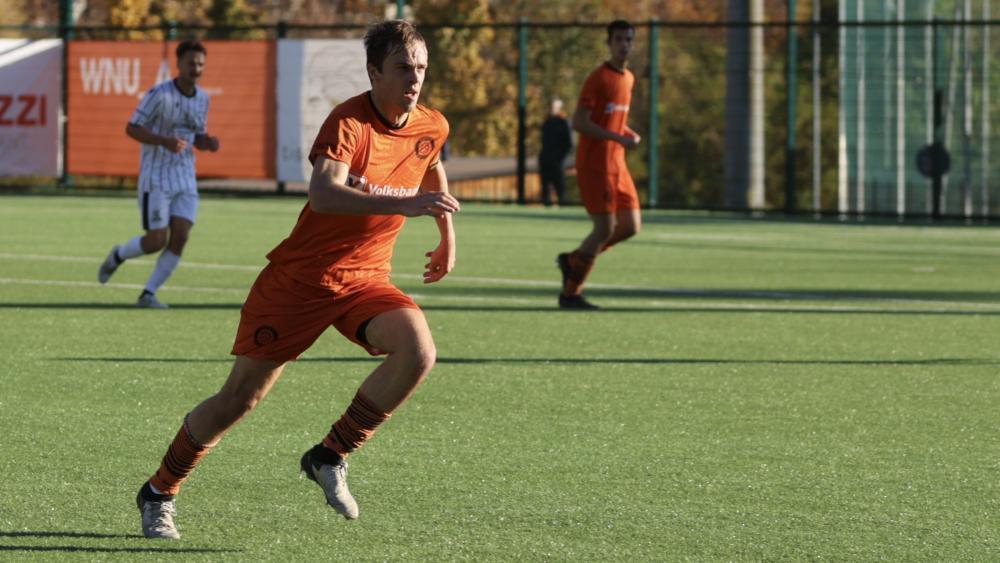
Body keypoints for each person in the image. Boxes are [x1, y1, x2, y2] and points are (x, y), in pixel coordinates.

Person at [133, 20, 459, 539]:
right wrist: (409, 203)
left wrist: (446, 235)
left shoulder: (430, 124)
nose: (414, 77)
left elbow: (430, 165)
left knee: (418, 351)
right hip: (300, 282)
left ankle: (330, 455)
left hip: (365, 279)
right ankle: (159, 490)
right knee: (238, 400)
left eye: (420, 67)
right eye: (402, 67)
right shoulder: (347, 122)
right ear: (374, 72)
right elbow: (324, 194)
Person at [97, 40, 220, 309]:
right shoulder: (159, 94)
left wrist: (206, 142)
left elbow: (195, 134)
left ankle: (148, 293)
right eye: (191, 63)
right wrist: (163, 141)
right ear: (178, 64)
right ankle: (118, 255)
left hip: (185, 177)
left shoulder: (203, 98)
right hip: (156, 178)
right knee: (155, 241)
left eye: (200, 64)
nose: (196, 68)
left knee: (181, 235)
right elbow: (132, 128)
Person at [556, 20, 641, 310]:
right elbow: (579, 121)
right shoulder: (599, 78)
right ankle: (570, 293)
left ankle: (575, 260)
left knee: (630, 226)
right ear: (609, 42)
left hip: (618, 163)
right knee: (604, 229)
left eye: (628, 39)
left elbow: (613, 119)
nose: (624, 44)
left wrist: (626, 133)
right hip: (596, 164)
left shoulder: (628, 78)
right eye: (618, 39)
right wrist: (618, 135)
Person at [538, 98, 573, 206]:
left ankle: (562, 208)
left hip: (558, 161)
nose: (551, 109)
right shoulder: (546, 122)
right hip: (546, 159)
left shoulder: (564, 123)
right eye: (551, 107)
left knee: (560, 187)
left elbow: (569, 144)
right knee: (545, 188)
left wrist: (560, 158)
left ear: (559, 108)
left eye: (554, 107)